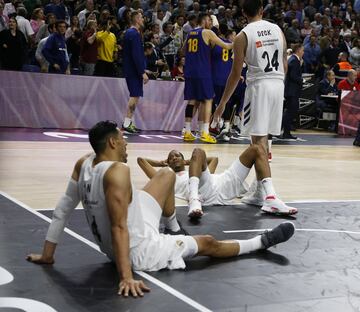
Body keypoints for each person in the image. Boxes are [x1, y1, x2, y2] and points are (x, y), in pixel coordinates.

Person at [27, 120, 296, 298]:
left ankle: (173, 227)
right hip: (138, 249)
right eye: (122, 139)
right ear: (111, 143)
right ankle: (259, 243)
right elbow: (118, 227)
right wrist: (126, 277)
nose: (126, 143)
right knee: (208, 242)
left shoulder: (84, 162)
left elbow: (62, 209)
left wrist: (48, 254)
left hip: (132, 224)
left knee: (166, 175)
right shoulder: (117, 172)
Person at [213, 0, 287, 207]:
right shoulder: (278, 29)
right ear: (262, 10)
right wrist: (279, 84)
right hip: (278, 83)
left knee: (257, 143)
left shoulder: (242, 35)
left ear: (243, 14)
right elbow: (284, 62)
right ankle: (258, 188)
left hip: (260, 86)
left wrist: (221, 104)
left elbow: (236, 74)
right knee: (266, 140)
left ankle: (263, 193)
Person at [138, 147, 297, 218]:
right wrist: (162, 164)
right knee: (199, 151)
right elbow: (141, 160)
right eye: (171, 157)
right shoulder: (167, 177)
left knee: (256, 149)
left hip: (222, 184)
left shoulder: (195, 169)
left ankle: (271, 198)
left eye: (177, 155)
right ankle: (194, 199)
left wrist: (190, 161)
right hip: (202, 193)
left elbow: (214, 159)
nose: (174, 158)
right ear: (168, 162)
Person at [183, 13, 232, 144]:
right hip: (202, 71)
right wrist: (238, 41)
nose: (210, 23)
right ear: (204, 20)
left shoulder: (190, 33)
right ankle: (205, 132)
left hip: (189, 71)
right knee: (208, 100)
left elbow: (183, 50)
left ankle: (187, 131)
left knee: (192, 100)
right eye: (209, 20)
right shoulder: (207, 33)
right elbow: (226, 46)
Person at [122, 11, 149, 133]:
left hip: (131, 69)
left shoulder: (129, 33)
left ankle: (129, 123)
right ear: (137, 19)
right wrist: (142, 71)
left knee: (135, 96)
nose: (143, 20)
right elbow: (136, 55)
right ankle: (127, 123)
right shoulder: (134, 33)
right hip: (133, 71)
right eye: (141, 18)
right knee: (134, 96)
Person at [281, 43, 304, 140]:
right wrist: (302, 80)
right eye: (302, 50)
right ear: (298, 50)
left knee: (289, 112)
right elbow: (294, 76)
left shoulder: (293, 59)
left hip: (291, 91)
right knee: (290, 112)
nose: (303, 52)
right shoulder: (294, 60)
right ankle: (285, 132)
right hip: (292, 91)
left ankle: (280, 131)